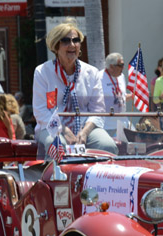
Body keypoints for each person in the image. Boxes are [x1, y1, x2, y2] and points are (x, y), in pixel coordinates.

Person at [32, 19, 117, 157]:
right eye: (65, 41)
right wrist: (63, 130)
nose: (72, 45)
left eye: (76, 40)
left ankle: (100, 178)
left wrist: (84, 132)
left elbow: (98, 110)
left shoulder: (92, 72)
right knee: (58, 145)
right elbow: (41, 111)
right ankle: (55, 178)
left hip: (86, 126)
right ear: (56, 46)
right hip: (51, 126)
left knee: (107, 145)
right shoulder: (42, 72)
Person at [99, 53, 131, 139]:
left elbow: (121, 97)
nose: (123, 68)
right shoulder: (99, 77)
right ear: (111, 66)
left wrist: (132, 96)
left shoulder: (121, 77)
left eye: (123, 65)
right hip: (107, 124)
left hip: (122, 123)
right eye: (120, 65)